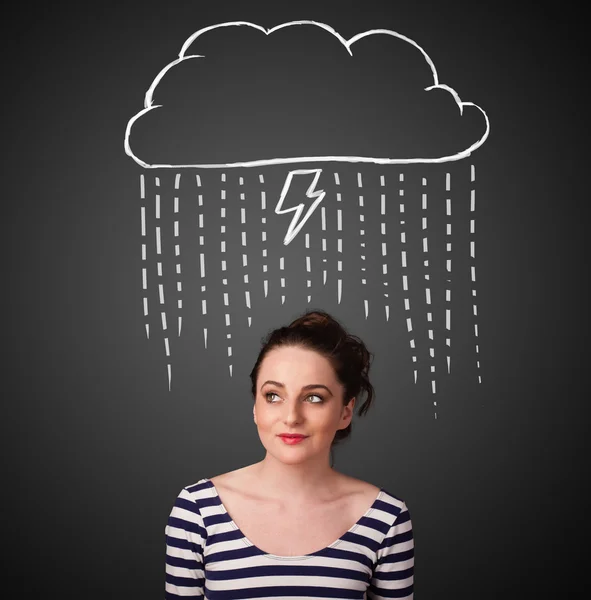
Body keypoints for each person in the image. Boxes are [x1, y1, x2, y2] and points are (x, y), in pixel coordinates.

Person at [164, 309, 414, 599]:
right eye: (273, 395)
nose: (292, 416)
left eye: (314, 398)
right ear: (256, 407)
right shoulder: (197, 510)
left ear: (345, 412)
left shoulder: (386, 518)